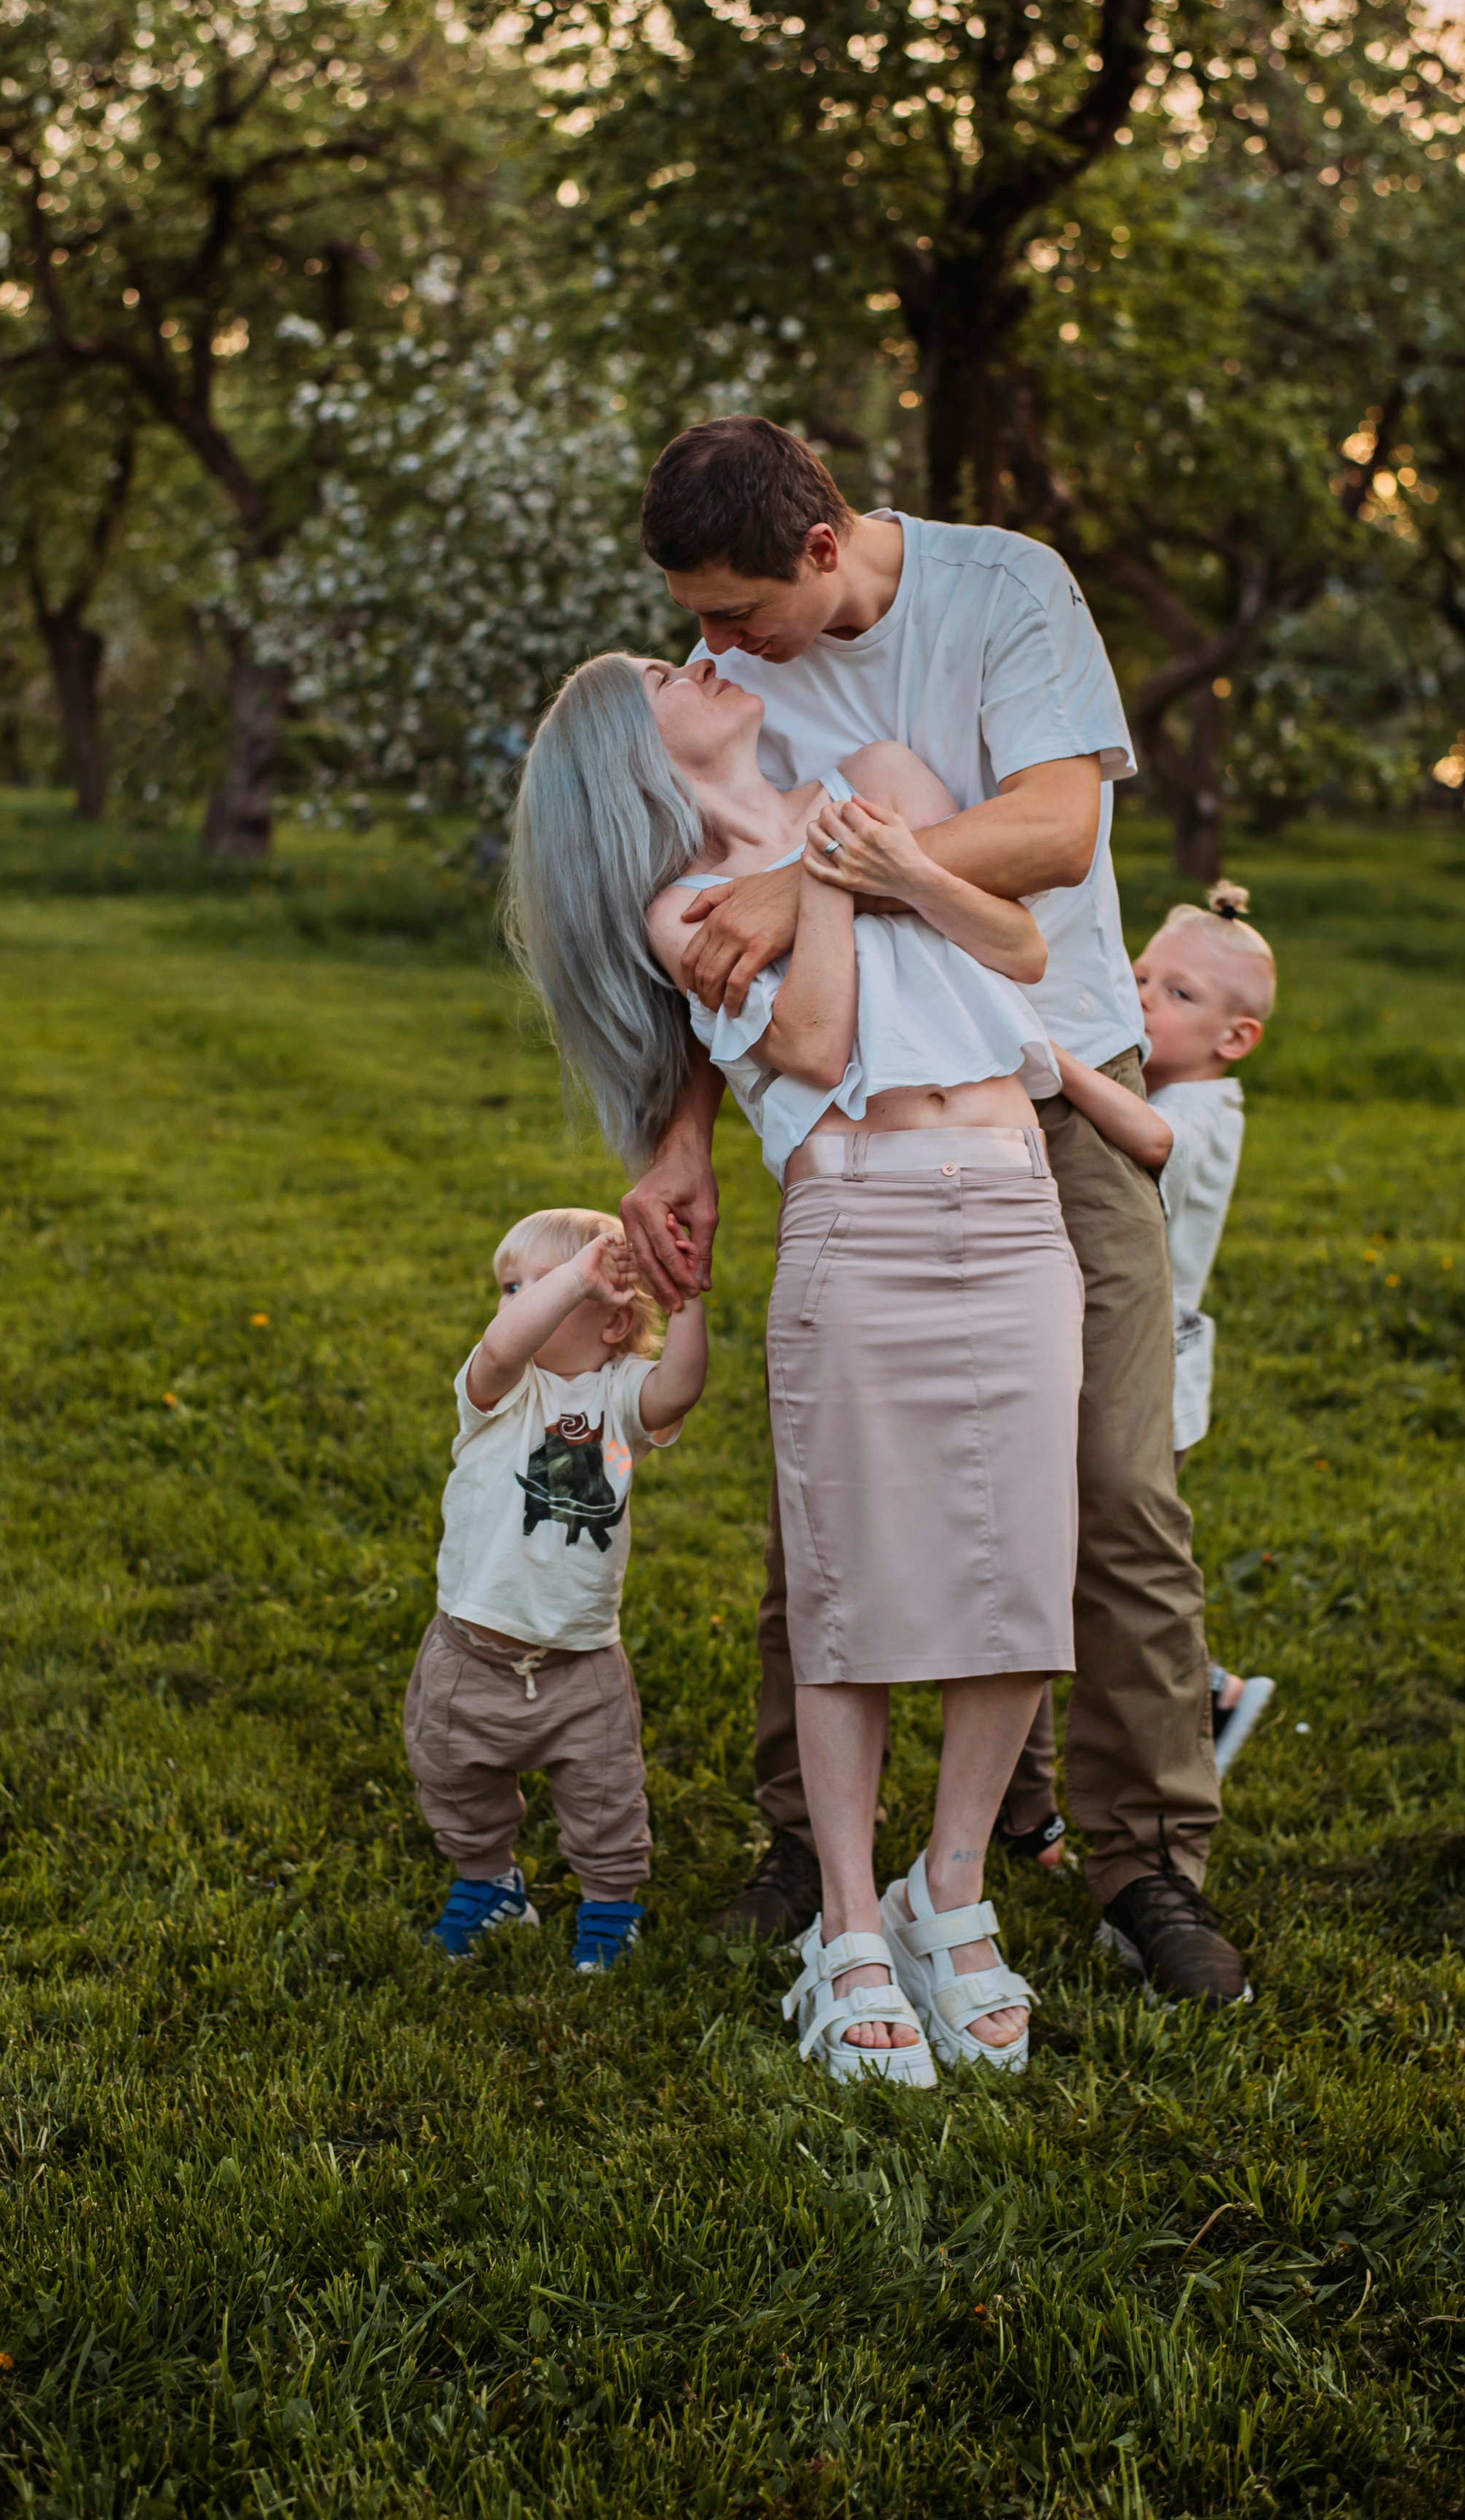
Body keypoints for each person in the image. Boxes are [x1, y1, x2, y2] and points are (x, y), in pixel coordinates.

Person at [619, 415, 1250, 2006]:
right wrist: (682, 1136)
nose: (716, 646)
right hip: (851, 1116)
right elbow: (699, 903)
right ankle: (803, 1852)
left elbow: (1054, 831)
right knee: (829, 1499)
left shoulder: (1000, 591)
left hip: (1057, 1071)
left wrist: (813, 877)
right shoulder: (722, 680)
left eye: (735, 611)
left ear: (822, 549)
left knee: (1108, 1483)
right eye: (693, 616)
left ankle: (1139, 1863)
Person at [507, 650, 1084, 2086]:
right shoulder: (684, 907)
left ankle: (947, 1891)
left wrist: (870, 851)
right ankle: (843, 1922)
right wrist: (828, 873)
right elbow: (818, 1040)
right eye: (659, 670)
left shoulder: (882, 784)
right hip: (859, 1214)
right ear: (626, 763)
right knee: (851, 1584)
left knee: (1018, 1563)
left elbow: (1019, 952)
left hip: (1013, 1203)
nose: (694, 657)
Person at [1005, 885, 1279, 1867]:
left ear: (1235, 1037)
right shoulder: (1173, 1081)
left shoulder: (1205, 1107)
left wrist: (1058, 1059)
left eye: (1177, 991)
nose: (1143, 994)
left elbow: (1151, 1144)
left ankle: (1207, 1691)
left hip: (1155, 1368)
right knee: (1077, 1550)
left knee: (1113, 1541)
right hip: (1114, 1346)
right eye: (1140, 973)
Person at [405, 1206, 707, 1973]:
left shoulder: (617, 1396)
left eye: (538, 1288)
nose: (514, 1304)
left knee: (607, 1795)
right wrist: (575, 1279)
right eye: (510, 1287)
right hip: (469, 1649)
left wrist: (688, 1296)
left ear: (610, 1326)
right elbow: (508, 1341)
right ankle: (488, 1882)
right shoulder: (501, 1390)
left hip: (580, 1659)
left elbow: (677, 1390)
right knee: (451, 1775)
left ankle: (610, 1905)